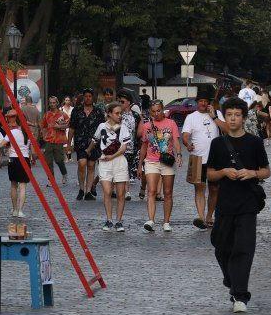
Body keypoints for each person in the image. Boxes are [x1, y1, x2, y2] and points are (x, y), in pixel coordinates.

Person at [206, 98, 271, 313]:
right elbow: (210, 174)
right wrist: (224, 172)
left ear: (243, 117)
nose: (233, 118)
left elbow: (266, 171)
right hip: (224, 203)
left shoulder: (254, 142)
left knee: (243, 249)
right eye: (230, 114)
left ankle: (240, 295)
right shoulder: (217, 143)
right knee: (221, 246)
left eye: (237, 115)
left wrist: (252, 173)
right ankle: (231, 279)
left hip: (247, 204)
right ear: (225, 116)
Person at [139, 100, 180, 233]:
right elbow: (144, 145)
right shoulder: (146, 126)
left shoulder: (171, 123)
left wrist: (179, 154)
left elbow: (176, 140)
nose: (156, 114)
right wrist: (140, 164)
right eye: (154, 111)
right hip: (151, 161)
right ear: (150, 112)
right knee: (151, 191)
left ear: (163, 110)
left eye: (159, 110)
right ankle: (151, 220)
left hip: (167, 161)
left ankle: (166, 222)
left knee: (168, 193)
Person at [92, 103, 132, 232]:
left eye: (120, 113)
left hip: (119, 161)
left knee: (120, 194)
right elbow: (95, 140)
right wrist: (92, 152)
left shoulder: (123, 127)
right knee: (107, 191)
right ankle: (109, 220)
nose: (119, 116)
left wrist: (112, 156)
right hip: (104, 162)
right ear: (109, 113)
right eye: (117, 113)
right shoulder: (101, 126)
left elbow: (124, 147)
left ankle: (119, 221)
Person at [182, 95, 220, 229]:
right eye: (201, 101)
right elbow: (185, 136)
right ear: (197, 103)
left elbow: (225, 129)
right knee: (200, 188)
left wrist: (214, 115)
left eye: (206, 101)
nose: (203, 103)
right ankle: (201, 217)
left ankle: (210, 215)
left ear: (209, 103)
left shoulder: (216, 114)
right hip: (198, 158)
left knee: (214, 189)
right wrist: (187, 144)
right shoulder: (191, 117)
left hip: (216, 159)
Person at [70, 90, 105, 202]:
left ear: (93, 98)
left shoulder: (98, 112)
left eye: (90, 96)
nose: (88, 98)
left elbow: (102, 128)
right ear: (83, 97)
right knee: (82, 163)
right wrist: (68, 143)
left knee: (91, 165)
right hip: (80, 142)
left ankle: (88, 191)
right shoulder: (77, 111)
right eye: (86, 96)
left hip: (94, 143)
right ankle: (81, 188)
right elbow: (72, 127)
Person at [2, 110, 31, 220]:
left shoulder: (12, 132)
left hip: (13, 159)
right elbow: (30, 148)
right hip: (24, 159)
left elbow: (2, 144)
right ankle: (20, 210)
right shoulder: (27, 132)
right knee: (23, 186)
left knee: (13, 185)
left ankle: (14, 209)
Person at [39, 96, 69, 182]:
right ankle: (51, 179)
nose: (52, 104)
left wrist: (59, 126)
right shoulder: (47, 114)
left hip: (59, 140)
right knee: (48, 161)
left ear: (57, 103)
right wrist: (44, 135)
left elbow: (68, 125)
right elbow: (43, 126)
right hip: (49, 140)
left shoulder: (62, 114)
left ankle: (64, 173)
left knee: (59, 160)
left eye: (54, 103)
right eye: (51, 103)